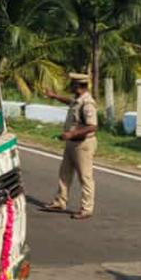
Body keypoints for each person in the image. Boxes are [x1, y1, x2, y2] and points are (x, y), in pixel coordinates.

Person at [41, 73, 98, 220]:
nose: (70, 87)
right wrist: (54, 96)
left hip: (82, 144)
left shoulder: (88, 103)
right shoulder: (78, 100)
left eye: (72, 84)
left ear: (79, 86)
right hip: (72, 143)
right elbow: (70, 102)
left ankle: (86, 209)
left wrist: (72, 134)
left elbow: (92, 126)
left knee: (85, 177)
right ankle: (60, 201)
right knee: (64, 174)